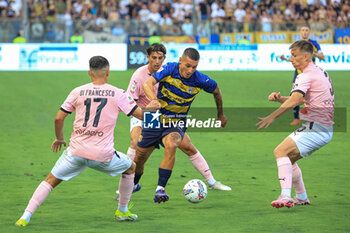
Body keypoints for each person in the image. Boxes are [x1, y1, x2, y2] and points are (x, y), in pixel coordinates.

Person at [15, 56, 149, 226]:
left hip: (76, 152)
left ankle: (25, 216)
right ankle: (122, 211)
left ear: (89, 73)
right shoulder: (118, 93)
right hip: (102, 155)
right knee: (130, 167)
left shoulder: (77, 91)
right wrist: (158, 114)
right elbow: (140, 115)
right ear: (108, 72)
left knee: (50, 181)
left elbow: (58, 118)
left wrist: (59, 138)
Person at [115, 43, 231, 200]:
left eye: (194, 67)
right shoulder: (164, 69)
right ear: (180, 60)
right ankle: (131, 185)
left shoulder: (201, 80)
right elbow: (147, 84)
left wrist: (220, 114)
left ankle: (160, 189)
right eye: (188, 65)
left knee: (172, 144)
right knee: (140, 156)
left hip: (176, 121)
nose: (190, 70)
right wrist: (154, 100)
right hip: (153, 116)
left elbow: (217, 91)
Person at [256, 40, 334, 208]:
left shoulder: (305, 75)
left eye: (294, 55)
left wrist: (272, 116)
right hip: (323, 128)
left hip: (317, 128)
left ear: (306, 56)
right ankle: (302, 197)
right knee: (288, 159)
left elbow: (297, 100)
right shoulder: (320, 71)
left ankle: (285, 196)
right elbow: (303, 98)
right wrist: (281, 99)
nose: (291, 59)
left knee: (280, 151)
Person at [279, 25, 325, 126]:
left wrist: (312, 53)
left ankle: (314, 116)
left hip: (311, 74)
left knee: (311, 96)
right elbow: (294, 59)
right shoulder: (297, 45)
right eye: (303, 30)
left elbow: (322, 57)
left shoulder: (314, 44)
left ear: (309, 32)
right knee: (295, 96)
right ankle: (296, 118)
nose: (304, 32)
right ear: (300, 32)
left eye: (306, 30)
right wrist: (285, 59)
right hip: (299, 74)